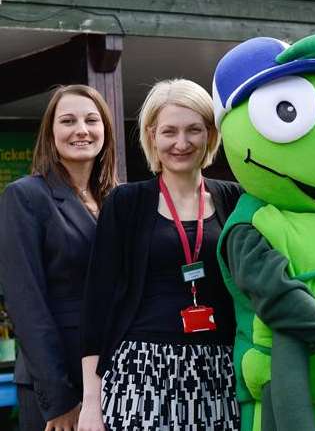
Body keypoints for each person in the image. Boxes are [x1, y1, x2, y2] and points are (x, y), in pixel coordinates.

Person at [78, 79, 242, 431]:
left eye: (193, 130)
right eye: (169, 131)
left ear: (211, 134)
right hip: (140, 370)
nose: (181, 143)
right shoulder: (126, 203)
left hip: (219, 370)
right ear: (152, 135)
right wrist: (92, 400)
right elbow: (97, 302)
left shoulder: (234, 198)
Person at [0, 85, 118, 431]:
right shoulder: (25, 196)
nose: (81, 129)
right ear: (51, 136)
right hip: (58, 381)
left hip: (116, 374)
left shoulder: (116, 199)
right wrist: (60, 400)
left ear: (105, 131)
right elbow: (26, 303)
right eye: (68, 121)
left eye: (91, 120)